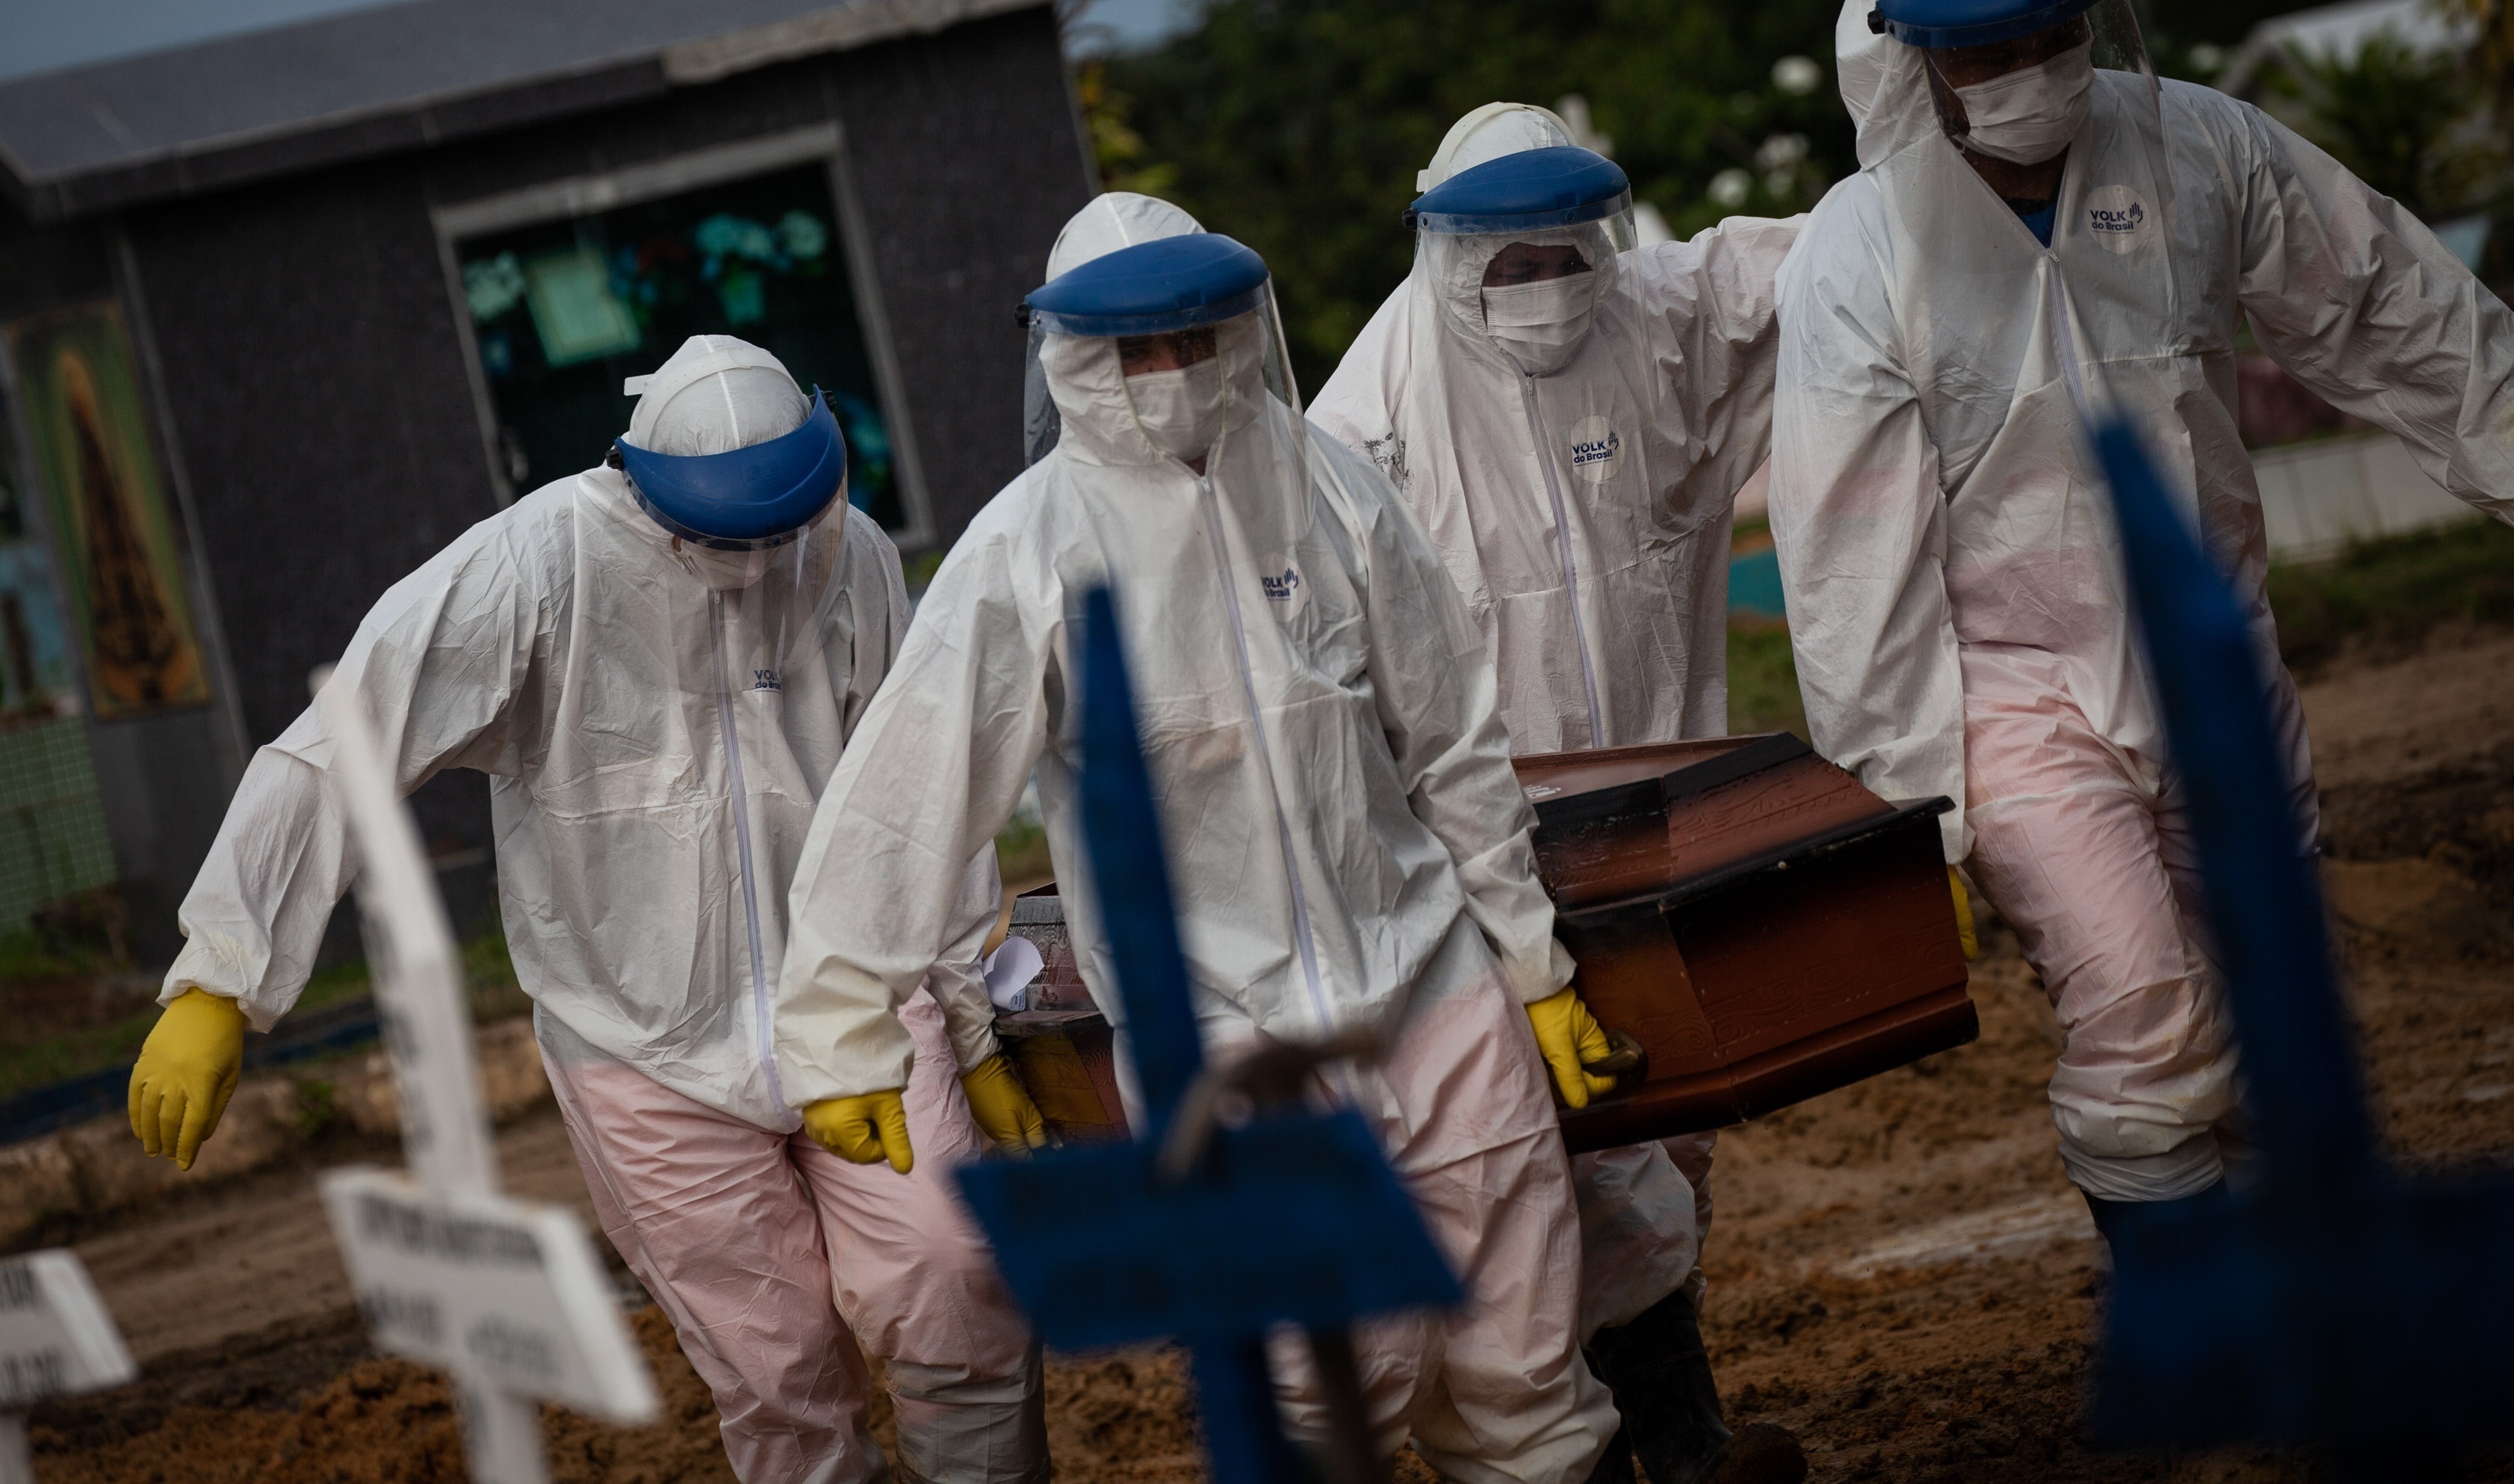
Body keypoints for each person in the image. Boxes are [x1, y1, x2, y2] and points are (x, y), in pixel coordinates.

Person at [771, 194, 1626, 1484]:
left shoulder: (1326, 483)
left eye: (1192, 339)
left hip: (1432, 981)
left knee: (1524, 1347)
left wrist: (1526, 956)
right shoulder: (1028, 550)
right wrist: (838, 1020)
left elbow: (1450, 736)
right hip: (1223, 1030)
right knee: (1333, 1373)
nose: (1172, 375)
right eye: (1135, 351)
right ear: (1071, 359)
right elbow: (907, 794)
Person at [123, 335, 1053, 1484]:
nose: (765, 558)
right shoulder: (534, 570)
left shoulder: (848, 556)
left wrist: (968, 1019)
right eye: (730, 535)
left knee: (956, 1277)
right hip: (639, 1045)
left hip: (855, 996)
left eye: (788, 524)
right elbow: (344, 742)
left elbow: (923, 800)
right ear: (641, 487)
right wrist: (225, 970)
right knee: (776, 1368)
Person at [1771, 0, 2514, 1232]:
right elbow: (1846, 558)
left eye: (2053, 36)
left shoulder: (2201, 148)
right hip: (2011, 690)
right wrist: (1907, 813)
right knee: (2142, 1011)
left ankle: (2309, 1281)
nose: (2029, 77)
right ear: (1914, 61)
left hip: (2213, 646)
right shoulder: (1859, 251)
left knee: (2270, 989)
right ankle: (2190, 1317)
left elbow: (2396, 309)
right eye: (1985, 54)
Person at [1310, 107, 1808, 1484]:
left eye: (1561, 246)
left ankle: (1649, 1429)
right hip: (1477, 863)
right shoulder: (1365, 423)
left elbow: (1854, 252)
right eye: (1503, 254)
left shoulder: (1661, 314)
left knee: (1662, 1145)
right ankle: (1655, 1444)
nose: (1538, 277)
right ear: (1442, 247)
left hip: (1662, 825)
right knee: (1555, 1167)